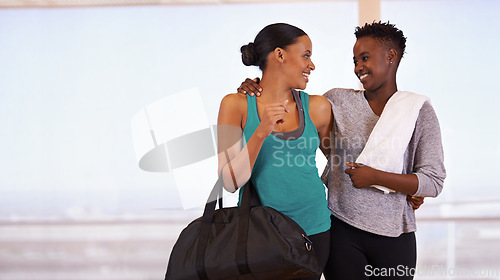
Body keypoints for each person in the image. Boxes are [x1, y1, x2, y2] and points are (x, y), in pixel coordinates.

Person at [238, 21, 446, 279]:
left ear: (391, 56)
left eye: (365, 58)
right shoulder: (336, 100)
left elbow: (433, 180)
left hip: (395, 233)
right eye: (355, 60)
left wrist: (387, 180)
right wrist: (257, 83)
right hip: (340, 229)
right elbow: (293, 105)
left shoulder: (418, 110)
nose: (358, 66)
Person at [217, 23, 333, 279]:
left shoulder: (318, 107)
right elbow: (229, 182)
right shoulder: (235, 105)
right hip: (261, 236)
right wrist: (261, 131)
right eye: (306, 55)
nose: (311, 65)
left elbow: (341, 163)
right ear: (280, 55)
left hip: (315, 231)